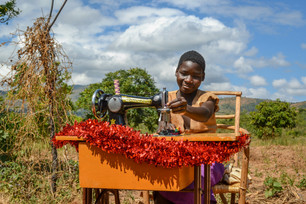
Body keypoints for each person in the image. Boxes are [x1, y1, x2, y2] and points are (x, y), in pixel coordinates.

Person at [154, 50, 224, 204]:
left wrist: (186, 109)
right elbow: (162, 126)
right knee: (161, 179)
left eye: (196, 76)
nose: (188, 80)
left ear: (203, 78)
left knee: (196, 179)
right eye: (184, 74)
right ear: (176, 72)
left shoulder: (208, 98)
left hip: (208, 159)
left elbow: (205, 113)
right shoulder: (167, 98)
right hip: (178, 159)